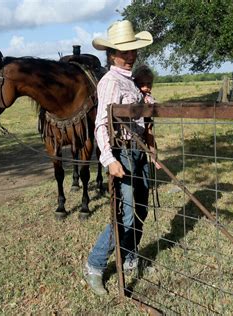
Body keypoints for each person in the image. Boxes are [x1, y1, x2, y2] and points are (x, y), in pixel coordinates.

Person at [83, 20, 154, 295]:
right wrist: (109, 160)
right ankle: (95, 264)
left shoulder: (132, 81)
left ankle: (129, 253)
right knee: (123, 215)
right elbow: (101, 123)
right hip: (122, 154)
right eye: (124, 52)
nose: (130, 56)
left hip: (138, 154)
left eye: (132, 51)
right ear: (112, 54)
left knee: (142, 208)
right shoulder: (110, 82)